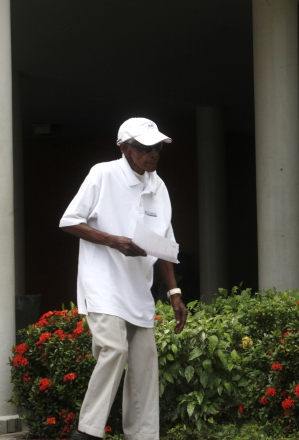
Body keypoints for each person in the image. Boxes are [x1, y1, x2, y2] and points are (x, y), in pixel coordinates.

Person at [60, 117, 188, 440]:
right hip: (103, 286)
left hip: (138, 293)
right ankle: (87, 433)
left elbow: (163, 245)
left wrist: (174, 292)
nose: (153, 154)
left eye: (157, 147)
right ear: (124, 148)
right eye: (144, 148)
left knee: (145, 368)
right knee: (114, 350)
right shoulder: (102, 175)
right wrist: (115, 241)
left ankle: (143, 436)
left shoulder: (159, 188)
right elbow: (69, 220)